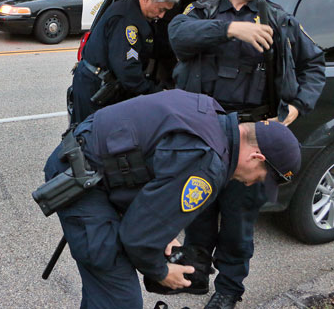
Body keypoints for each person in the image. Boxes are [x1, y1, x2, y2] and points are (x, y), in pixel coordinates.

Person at [168, 0, 325, 308]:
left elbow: (314, 64)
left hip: (251, 137)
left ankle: (228, 291)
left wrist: (296, 108)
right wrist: (231, 29)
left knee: (239, 222)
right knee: (198, 208)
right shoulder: (204, 10)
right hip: (204, 133)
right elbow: (178, 36)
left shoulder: (277, 18)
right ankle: (196, 274)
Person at [42, 89, 301, 309]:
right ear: (256, 158)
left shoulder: (212, 114)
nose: (251, 183)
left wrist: (162, 228)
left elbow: (154, 159)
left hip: (94, 161)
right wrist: (162, 272)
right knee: (120, 298)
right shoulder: (207, 165)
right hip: (83, 182)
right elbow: (137, 237)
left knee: (106, 293)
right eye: (260, 178)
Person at [70, 0, 180, 125]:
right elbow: (127, 69)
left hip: (107, 84)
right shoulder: (126, 20)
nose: (162, 15)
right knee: (89, 136)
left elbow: (153, 45)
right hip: (95, 87)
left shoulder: (141, 15)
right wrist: (156, 93)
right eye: (161, 9)